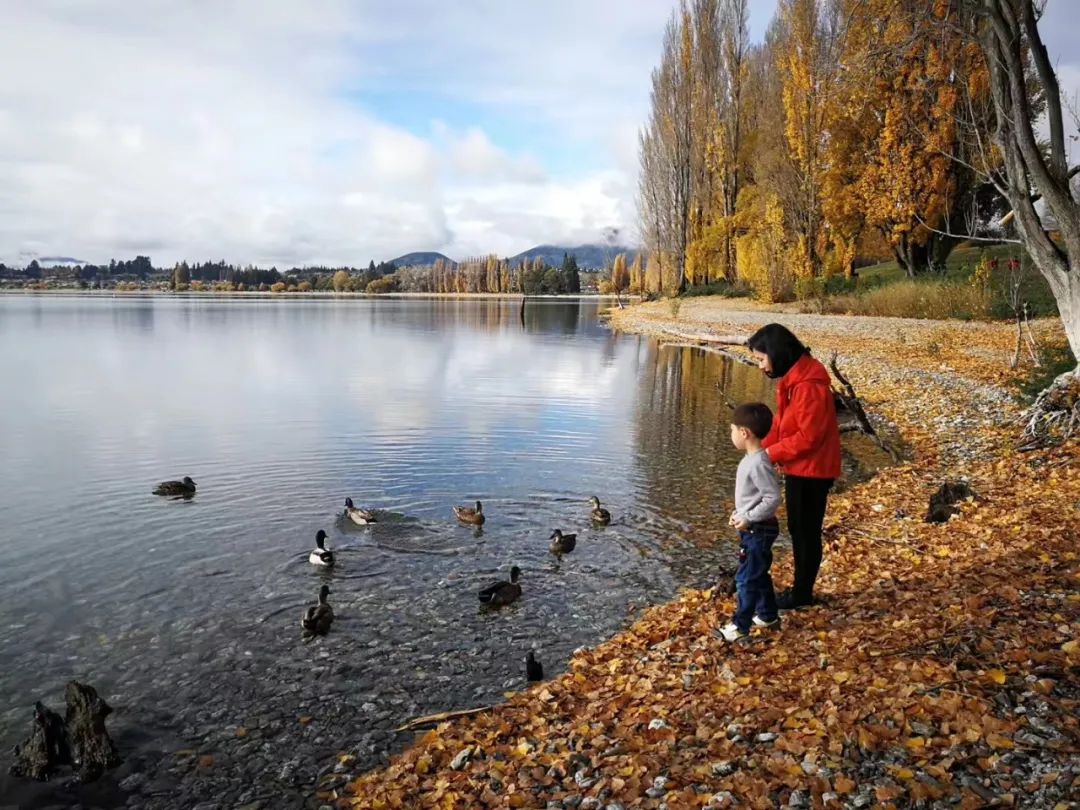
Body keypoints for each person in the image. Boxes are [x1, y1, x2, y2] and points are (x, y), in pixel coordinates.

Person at [747, 323, 841, 610]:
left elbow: (808, 437)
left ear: (777, 353)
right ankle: (801, 591)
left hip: (813, 470)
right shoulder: (796, 379)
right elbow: (782, 426)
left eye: (762, 359)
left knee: (805, 532)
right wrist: (758, 452)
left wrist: (768, 456)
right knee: (800, 529)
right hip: (804, 467)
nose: (761, 366)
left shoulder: (809, 386)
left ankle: (801, 595)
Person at [717, 402, 782, 642]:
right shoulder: (751, 459)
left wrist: (748, 517)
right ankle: (767, 616)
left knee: (745, 579)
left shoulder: (758, 463)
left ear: (744, 433)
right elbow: (752, 496)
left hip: (759, 529)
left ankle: (740, 627)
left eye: (732, 430)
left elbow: (772, 497)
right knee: (758, 572)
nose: (731, 434)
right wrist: (739, 512)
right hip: (753, 527)